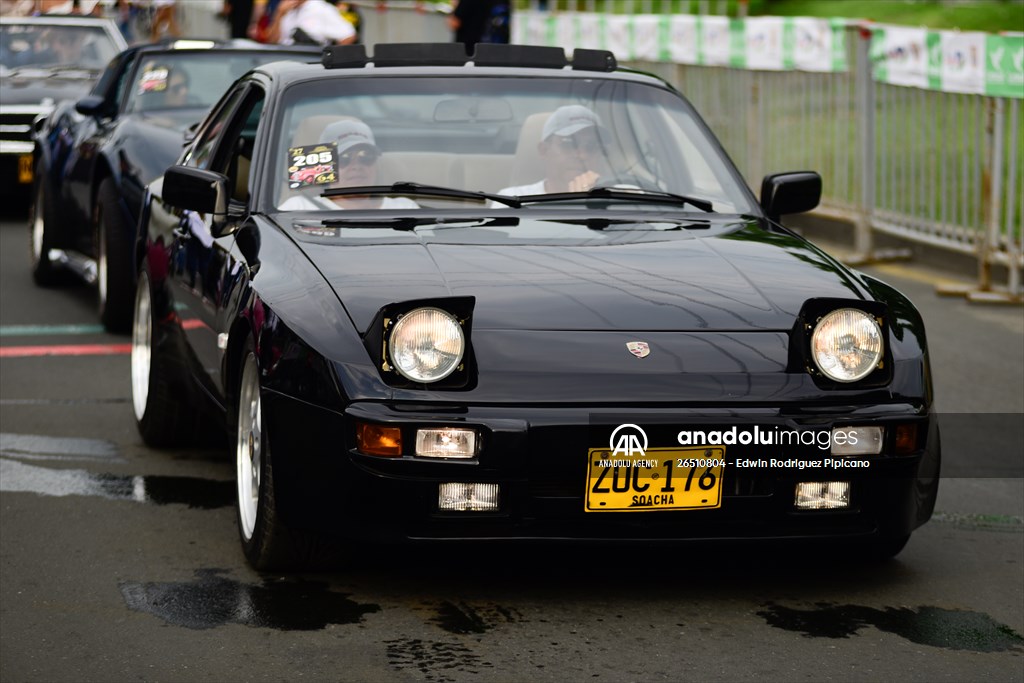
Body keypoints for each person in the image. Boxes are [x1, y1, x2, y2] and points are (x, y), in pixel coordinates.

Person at [281, 120, 418, 210]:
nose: (356, 166)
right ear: (324, 165)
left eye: (366, 157)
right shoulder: (299, 207)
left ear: (376, 165)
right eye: (344, 159)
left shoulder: (404, 208)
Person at [497, 105, 608, 198]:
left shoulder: (615, 197)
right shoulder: (513, 199)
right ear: (544, 150)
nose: (582, 155)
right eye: (569, 144)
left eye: (591, 147)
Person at [267, 0, 356, 46]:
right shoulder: (285, 9)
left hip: (309, 61)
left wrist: (330, 59)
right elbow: (272, 41)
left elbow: (349, 35)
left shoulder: (321, 8)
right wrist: (279, 14)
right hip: (284, 58)